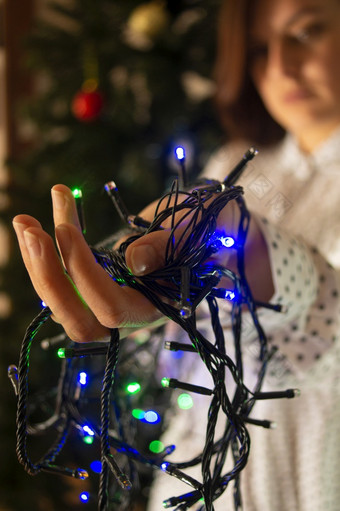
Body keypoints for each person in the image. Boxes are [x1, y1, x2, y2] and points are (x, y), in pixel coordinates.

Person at [12, 0, 340, 509]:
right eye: (258, 49)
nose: (280, 65)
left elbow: (330, 326)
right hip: (195, 482)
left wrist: (234, 238)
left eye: (306, 31)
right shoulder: (236, 163)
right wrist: (128, 280)